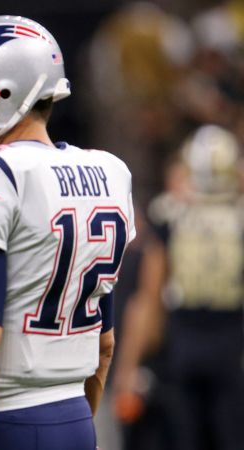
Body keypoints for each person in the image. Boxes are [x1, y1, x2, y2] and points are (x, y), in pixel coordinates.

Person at [0, 16, 136, 450]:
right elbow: (105, 341)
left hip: (2, 419)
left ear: (4, 93)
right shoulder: (108, 171)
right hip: (75, 414)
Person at [112, 125, 244, 450]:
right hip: (232, 352)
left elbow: (149, 299)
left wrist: (128, 368)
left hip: (182, 351)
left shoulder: (170, 214)